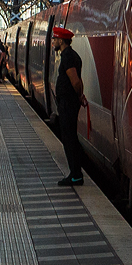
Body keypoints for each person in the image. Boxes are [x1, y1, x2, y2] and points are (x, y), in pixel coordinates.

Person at [51, 26, 87, 186]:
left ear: (61, 40)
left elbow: (75, 80)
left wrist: (79, 96)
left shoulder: (67, 57)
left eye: (54, 39)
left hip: (68, 103)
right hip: (69, 102)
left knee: (69, 138)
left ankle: (75, 175)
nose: (53, 42)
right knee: (69, 136)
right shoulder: (72, 55)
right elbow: (78, 81)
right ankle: (75, 173)